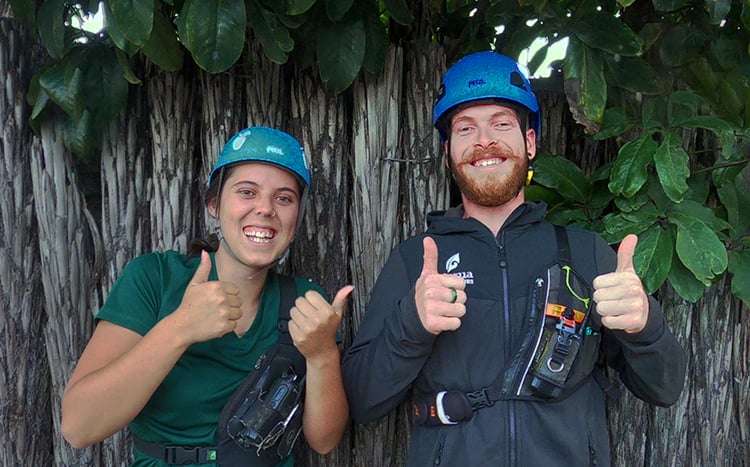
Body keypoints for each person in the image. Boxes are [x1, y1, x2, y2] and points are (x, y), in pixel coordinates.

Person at [341, 51, 686, 466]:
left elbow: (664, 390)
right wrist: (411, 325)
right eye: (466, 128)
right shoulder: (416, 260)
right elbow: (361, 402)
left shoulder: (584, 251)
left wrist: (645, 326)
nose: (484, 141)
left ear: (530, 142)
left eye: (502, 124)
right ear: (449, 151)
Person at [62, 126, 352, 466]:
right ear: (214, 204)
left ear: (296, 218)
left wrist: (322, 357)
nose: (265, 209)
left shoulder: (304, 303)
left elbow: (324, 441)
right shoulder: (154, 279)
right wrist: (180, 328)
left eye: (284, 198)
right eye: (247, 192)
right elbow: (79, 427)